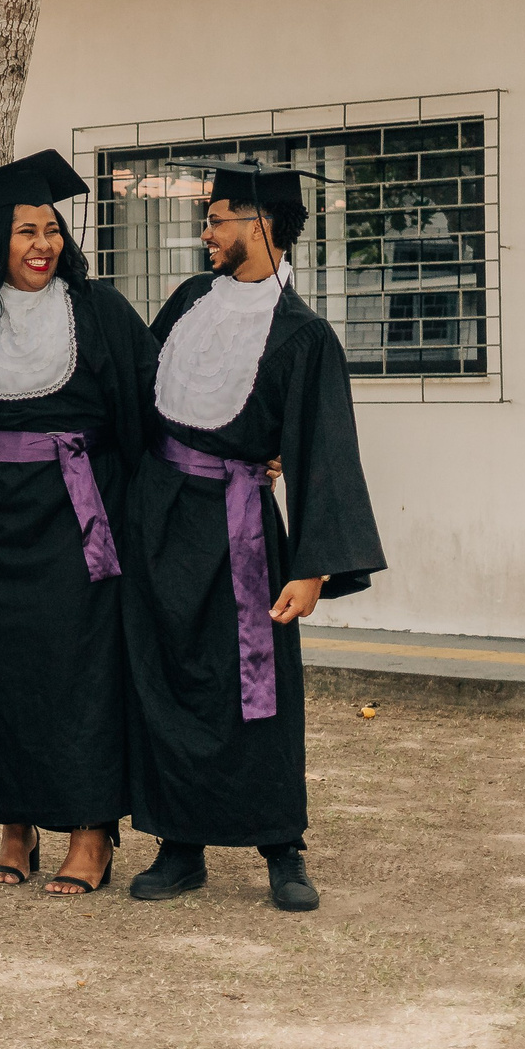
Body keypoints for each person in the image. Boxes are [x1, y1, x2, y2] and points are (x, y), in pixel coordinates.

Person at [124, 166, 386, 913]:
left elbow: (325, 451)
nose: (205, 232)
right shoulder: (184, 304)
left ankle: (282, 843)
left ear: (263, 223)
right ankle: (179, 845)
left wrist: (314, 568)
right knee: (170, 677)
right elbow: (138, 405)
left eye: (218, 218)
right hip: (162, 520)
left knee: (257, 690)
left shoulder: (304, 336)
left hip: (240, 526)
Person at [0, 151, 156, 898]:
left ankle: (91, 829)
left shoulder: (101, 312)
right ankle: (14, 828)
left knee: (82, 669)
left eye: (51, 230)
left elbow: (149, 411)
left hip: (79, 519)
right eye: (25, 231)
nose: (42, 245)